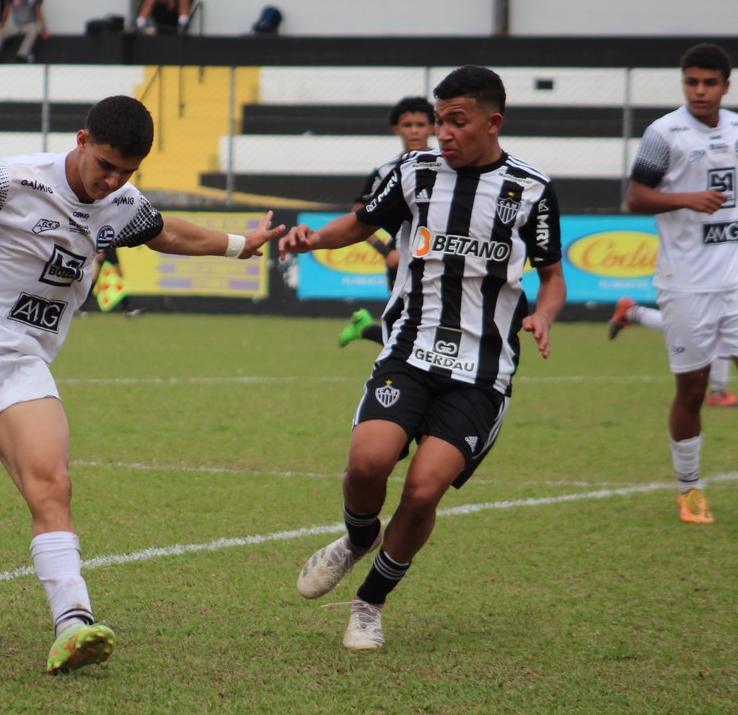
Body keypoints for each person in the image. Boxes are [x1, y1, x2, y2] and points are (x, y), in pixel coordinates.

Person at [0, 95, 284, 673]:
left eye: (127, 172)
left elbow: (164, 233)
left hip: (23, 359)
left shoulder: (121, 203)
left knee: (52, 486)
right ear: (81, 140)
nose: (113, 181)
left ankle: (72, 623)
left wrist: (238, 246)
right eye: (105, 164)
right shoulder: (11, 179)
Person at [279, 66, 565, 651]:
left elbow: (553, 276)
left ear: (493, 122)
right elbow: (359, 224)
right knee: (366, 464)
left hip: (482, 372)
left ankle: (369, 603)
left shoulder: (531, 190)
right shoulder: (414, 174)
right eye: (439, 122)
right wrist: (312, 238)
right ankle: (358, 539)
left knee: (423, 490)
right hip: (409, 350)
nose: (444, 133)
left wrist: (545, 313)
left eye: (457, 122)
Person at [623, 42, 738, 525]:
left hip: (735, 278)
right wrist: (688, 199)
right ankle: (690, 489)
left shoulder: (736, 128)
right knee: (692, 389)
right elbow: (635, 197)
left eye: (710, 82)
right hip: (687, 283)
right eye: (692, 82)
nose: (700, 91)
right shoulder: (662, 133)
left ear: (725, 86)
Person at [340, 97, 437, 348]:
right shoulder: (386, 171)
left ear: (433, 127)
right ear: (397, 129)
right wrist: (387, 252)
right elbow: (358, 214)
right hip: (404, 257)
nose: (414, 130)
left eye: (420, 124)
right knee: (406, 331)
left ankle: (364, 328)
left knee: (423, 332)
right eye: (407, 124)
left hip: (441, 254)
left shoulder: (448, 165)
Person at [608, 297, 737, 407]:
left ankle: (632, 312)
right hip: (705, 279)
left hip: (711, 278)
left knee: (709, 327)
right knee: (715, 327)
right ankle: (719, 393)